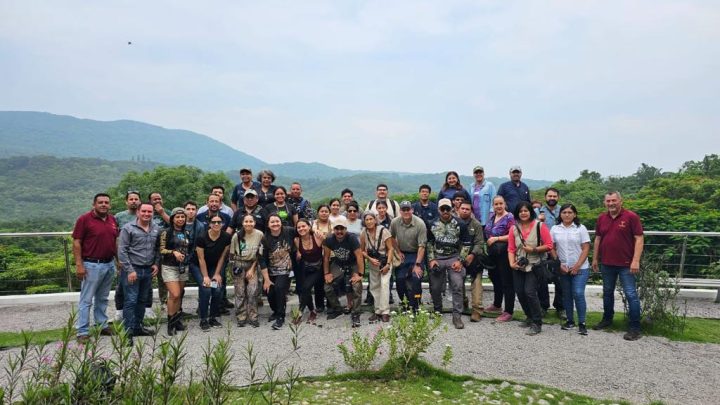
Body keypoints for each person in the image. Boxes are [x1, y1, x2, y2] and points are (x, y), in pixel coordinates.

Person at [591, 191, 644, 341]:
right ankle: (607, 320)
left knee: (631, 295)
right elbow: (598, 239)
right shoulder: (602, 218)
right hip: (607, 263)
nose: (611, 204)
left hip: (626, 264)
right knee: (607, 292)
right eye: (608, 201)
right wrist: (595, 258)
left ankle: (635, 328)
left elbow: (639, 238)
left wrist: (636, 260)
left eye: (614, 200)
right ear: (604, 203)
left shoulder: (631, 217)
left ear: (620, 201)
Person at [73, 193, 119, 343]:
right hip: (91, 264)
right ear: (94, 204)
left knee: (102, 298)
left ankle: (102, 325)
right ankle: (82, 331)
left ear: (110, 205)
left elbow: (115, 241)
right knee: (86, 300)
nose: (104, 204)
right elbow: (77, 242)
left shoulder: (112, 219)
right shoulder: (84, 219)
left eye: (106, 202)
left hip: (109, 263)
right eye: (100, 202)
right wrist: (79, 265)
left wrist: (118, 260)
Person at [508, 201, 553, 336]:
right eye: (521, 211)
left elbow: (549, 245)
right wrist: (511, 263)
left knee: (529, 292)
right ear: (517, 213)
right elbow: (511, 248)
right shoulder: (514, 229)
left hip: (535, 265)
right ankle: (529, 316)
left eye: (526, 210)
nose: (523, 213)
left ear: (530, 212)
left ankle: (537, 322)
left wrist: (534, 249)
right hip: (519, 264)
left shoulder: (540, 226)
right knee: (520, 292)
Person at [118, 202, 160, 343]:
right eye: (144, 211)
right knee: (130, 300)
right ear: (138, 212)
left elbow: (158, 248)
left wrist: (156, 263)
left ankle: (137, 327)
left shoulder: (156, 228)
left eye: (149, 212)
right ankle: (127, 333)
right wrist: (129, 270)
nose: (147, 214)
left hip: (147, 270)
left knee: (142, 300)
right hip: (132, 270)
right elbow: (122, 251)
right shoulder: (128, 228)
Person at [427, 199, 471, 329]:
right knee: (435, 287)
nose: (445, 211)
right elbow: (429, 243)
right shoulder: (432, 223)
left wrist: (460, 260)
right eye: (443, 209)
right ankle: (437, 310)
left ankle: (457, 315)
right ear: (439, 209)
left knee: (457, 284)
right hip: (438, 257)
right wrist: (431, 259)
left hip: (454, 257)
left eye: (448, 208)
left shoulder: (460, 224)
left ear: (452, 208)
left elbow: (467, 244)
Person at [551, 204, 591, 335]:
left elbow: (586, 248)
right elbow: (552, 247)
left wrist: (578, 265)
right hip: (564, 268)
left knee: (578, 293)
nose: (567, 215)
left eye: (570, 212)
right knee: (566, 295)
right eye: (564, 212)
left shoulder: (581, 228)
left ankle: (582, 323)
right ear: (560, 214)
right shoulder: (555, 229)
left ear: (575, 214)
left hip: (580, 267)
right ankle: (570, 321)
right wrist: (559, 263)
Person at [322, 217, 365, 327]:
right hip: (338, 264)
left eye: (342, 229)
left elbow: (359, 256)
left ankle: (356, 313)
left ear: (346, 229)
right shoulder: (329, 239)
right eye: (337, 229)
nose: (339, 231)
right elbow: (326, 257)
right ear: (333, 229)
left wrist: (360, 274)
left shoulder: (351, 238)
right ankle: (337, 309)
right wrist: (327, 273)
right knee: (327, 286)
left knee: (356, 286)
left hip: (353, 264)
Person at [260, 214, 297, 330]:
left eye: (277, 221)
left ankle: (280, 317)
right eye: (272, 222)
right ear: (268, 225)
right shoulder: (265, 239)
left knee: (279, 289)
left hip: (286, 270)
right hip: (270, 271)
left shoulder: (289, 231)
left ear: (281, 222)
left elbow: (303, 231)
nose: (275, 224)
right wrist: (266, 279)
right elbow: (262, 260)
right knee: (269, 293)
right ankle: (276, 311)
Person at [157, 207, 190, 335]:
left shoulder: (186, 233)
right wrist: (173, 252)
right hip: (169, 266)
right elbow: (161, 249)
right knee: (174, 294)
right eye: (178, 217)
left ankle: (177, 321)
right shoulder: (166, 232)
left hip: (182, 267)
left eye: (183, 217)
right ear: (172, 219)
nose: (180, 219)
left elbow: (189, 248)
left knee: (179, 295)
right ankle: (170, 324)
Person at [195, 214, 231, 331]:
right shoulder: (201, 237)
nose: (216, 224)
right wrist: (205, 276)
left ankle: (213, 317)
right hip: (198, 265)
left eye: (219, 222)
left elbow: (222, 257)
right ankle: (203, 319)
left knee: (217, 289)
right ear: (209, 224)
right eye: (214, 222)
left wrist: (217, 274)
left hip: (214, 266)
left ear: (223, 224)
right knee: (206, 288)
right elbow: (201, 259)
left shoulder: (226, 237)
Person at [390, 201, 427, 312]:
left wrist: (417, 264)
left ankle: (416, 304)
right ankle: (405, 303)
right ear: (400, 211)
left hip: (416, 253)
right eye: (403, 210)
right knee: (400, 280)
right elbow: (391, 237)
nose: (406, 212)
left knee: (416, 278)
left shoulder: (420, 223)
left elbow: (422, 246)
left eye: (408, 209)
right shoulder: (395, 222)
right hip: (403, 253)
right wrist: (398, 251)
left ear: (412, 210)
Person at [484, 196, 516, 322]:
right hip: (493, 254)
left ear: (505, 204)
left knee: (507, 282)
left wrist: (497, 239)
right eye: (496, 204)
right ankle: (497, 305)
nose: (498, 206)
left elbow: (513, 235)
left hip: (505, 253)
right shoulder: (492, 216)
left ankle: (508, 311)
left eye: (500, 203)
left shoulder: (510, 217)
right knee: (495, 279)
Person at [229, 214, 264, 328]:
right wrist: (233, 269)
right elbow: (232, 253)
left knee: (252, 291)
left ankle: (253, 316)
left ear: (254, 222)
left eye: (251, 221)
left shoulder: (259, 235)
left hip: (253, 264)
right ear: (242, 223)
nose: (248, 224)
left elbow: (260, 254)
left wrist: (252, 269)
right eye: (246, 221)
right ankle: (241, 316)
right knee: (240, 291)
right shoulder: (237, 236)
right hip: (239, 263)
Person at [536, 188, 565, 319]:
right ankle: (543, 306)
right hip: (542, 249)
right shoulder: (537, 211)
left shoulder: (563, 211)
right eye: (549, 196)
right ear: (545, 197)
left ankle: (560, 307)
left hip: (559, 249)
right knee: (541, 279)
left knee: (560, 278)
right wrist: (539, 220)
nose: (552, 198)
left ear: (558, 197)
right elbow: (530, 226)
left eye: (554, 196)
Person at [360, 212, 394, 323]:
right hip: (373, 262)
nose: (369, 221)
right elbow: (362, 251)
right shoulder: (363, 233)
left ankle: (385, 312)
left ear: (375, 220)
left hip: (385, 262)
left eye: (371, 219)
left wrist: (388, 264)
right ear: (364, 222)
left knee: (384, 285)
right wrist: (370, 259)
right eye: (367, 220)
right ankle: (378, 310)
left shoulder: (384, 231)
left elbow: (390, 249)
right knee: (374, 287)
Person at [113, 190, 141, 323]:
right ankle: (119, 311)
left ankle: (141, 311)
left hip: (140, 257)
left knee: (140, 285)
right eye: (131, 199)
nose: (134, 201)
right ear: (126, 201)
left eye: (136, 199)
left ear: (139, 201)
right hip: (123, 256)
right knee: (121, 285)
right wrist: (118, 258)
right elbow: (115, 238)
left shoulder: (143, 215)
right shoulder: (119, 217)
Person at [457, 201, 487, 322]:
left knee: (477, 283)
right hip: (458, 258)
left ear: (471, 211)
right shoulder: (454, 224)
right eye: (462, 208)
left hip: (474, 258)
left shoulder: (477, 225)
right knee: (458, 282)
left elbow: (480, 243)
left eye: (467, 209)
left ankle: (477, 310)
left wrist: (472, 255)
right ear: (458, 210)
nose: (464, 211)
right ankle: (463, 302)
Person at [293, 219, 325, 324]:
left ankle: (300, 312)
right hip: (305, 268)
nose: (301, 229)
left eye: (303, 226)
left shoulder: (317, 237)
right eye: (299, 227)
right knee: (304, 289)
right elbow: (298, 253)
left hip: (317, 268)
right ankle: (312, 311)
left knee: (306, 288)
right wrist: (298, 254)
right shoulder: (297, 240)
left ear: (309, 227)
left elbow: (327, 250)